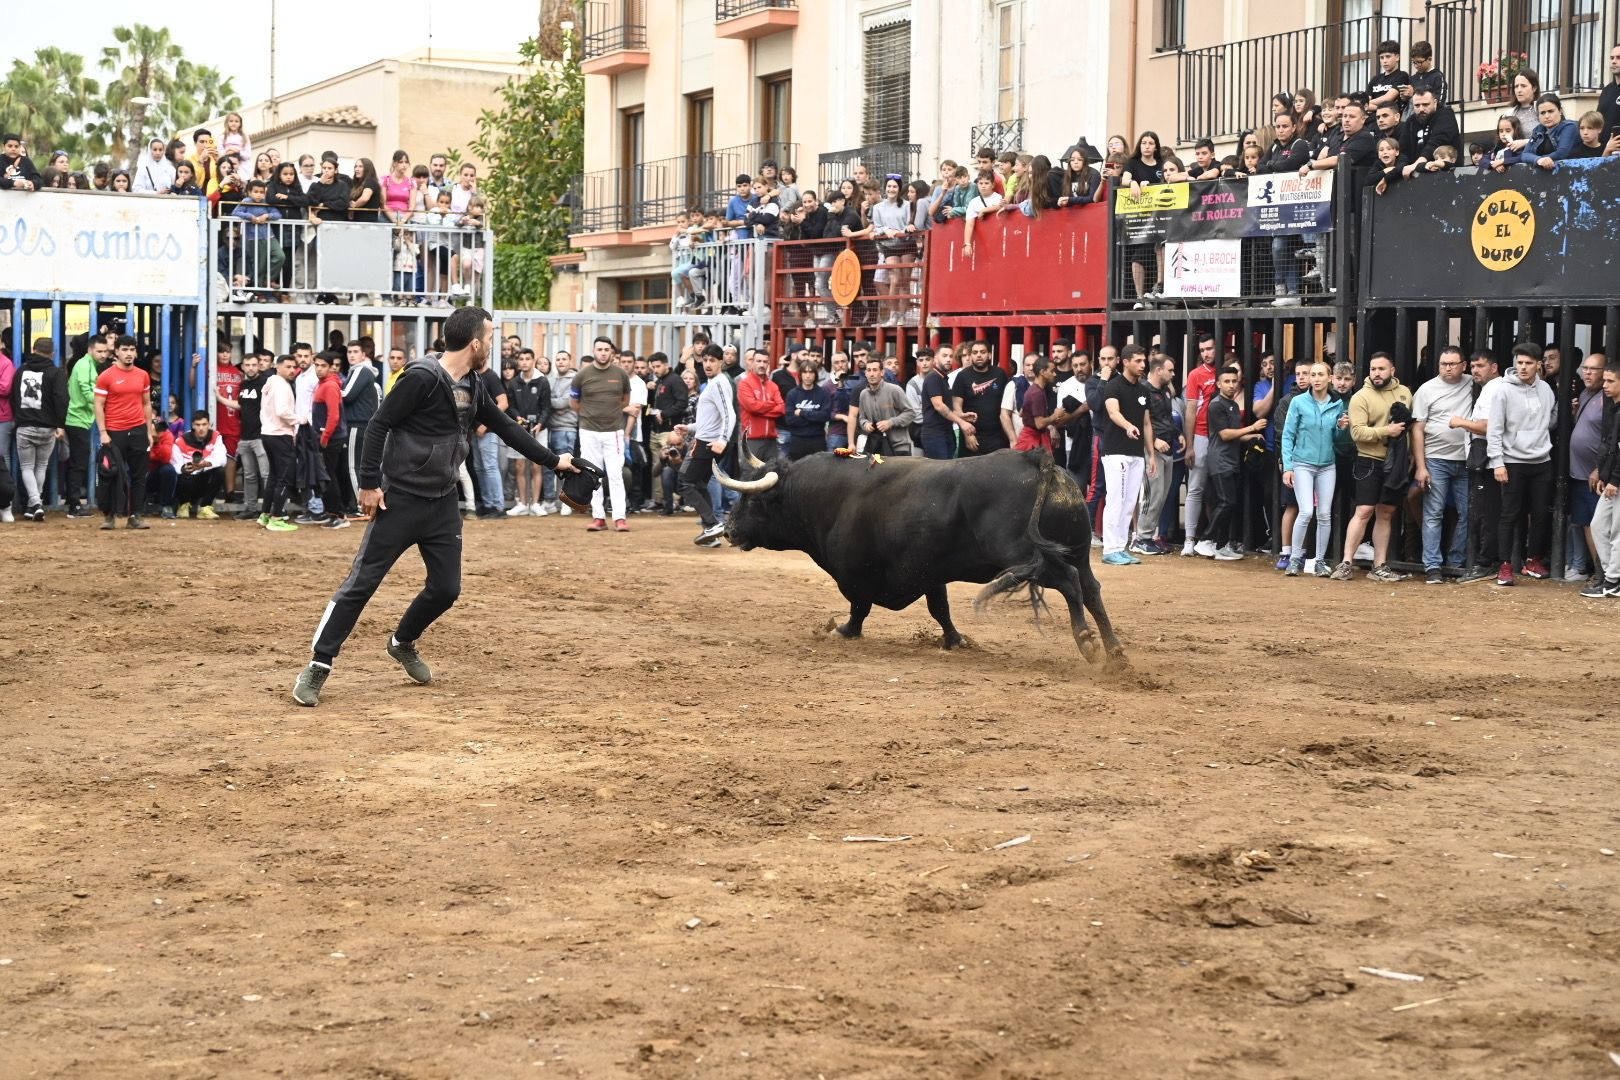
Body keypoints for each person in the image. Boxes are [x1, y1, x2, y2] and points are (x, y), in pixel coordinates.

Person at [293, 307, 577, 706]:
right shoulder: (421, 378)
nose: (493, 346)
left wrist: (555, 462)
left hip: (443, 502)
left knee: (446, 589)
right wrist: (371, 484)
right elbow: (379, 425)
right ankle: (318, 666)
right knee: (361, 585)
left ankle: (402, 642)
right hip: (400, 500)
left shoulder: (474, 385)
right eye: (491, 339)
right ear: (476, 342)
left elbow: (506, 426)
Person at [1334, 352, 1414, 582]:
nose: (1376, 373)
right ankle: (1346, 562)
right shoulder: (1361, 397)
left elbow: (1412, 427)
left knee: (1386, 512)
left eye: (1381, 369)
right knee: (1364, 510)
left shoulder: (1405, 393)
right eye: (1372, 369)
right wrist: (1386, 432)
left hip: (1396, 462)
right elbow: (1357, 432)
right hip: (1368, 460)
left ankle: (1379, 566)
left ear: (1392, 370)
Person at [1487, 343, 1556, 586]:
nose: (1523, 367)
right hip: (1513, 461)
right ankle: (1505, 565)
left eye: (1528, 363)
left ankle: (1532, 560)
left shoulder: (1546, 389)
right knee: (1509, 514)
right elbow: (1494, 429)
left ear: (1538, 364)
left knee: (1540, 515)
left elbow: (1550, 419)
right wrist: (1498, 462)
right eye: (1519, 363)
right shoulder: (1502, 391)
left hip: (1542, 461)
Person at [1281, 360, 1352, 576]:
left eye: (1321, 375)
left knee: (1324, 514)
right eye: (1313, 375)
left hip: (1327, 465)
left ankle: (1319, 560)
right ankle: (1294, 559)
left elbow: (1337, 439)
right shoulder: (1299, 402)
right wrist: (1288, 466)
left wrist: (1341, 429)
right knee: (1305, 512)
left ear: (1329, 378)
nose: (1317, 379)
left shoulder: (1337, 404)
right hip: (1303, 463)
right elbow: (1288, 434)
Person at [1411, 346, 1474, 583]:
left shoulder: (1473, 384)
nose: (1448, 368)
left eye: (1452, 363)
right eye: (1443, 364)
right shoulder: (1426, 389)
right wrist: (1421, 466)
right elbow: (1417, 429)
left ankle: (1456, 561)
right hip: (1436, 459)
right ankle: (1432, 566)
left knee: (1467, 513)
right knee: (1433, 513)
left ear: (1463, 365)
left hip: (1466, 460)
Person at [1096, 345, 1155, 566]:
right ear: (1125, 362)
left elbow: (1147, 423)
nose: (1142, 365)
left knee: (1130, 502)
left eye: (1143, 361)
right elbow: (1113, 412)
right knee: (1116, 500)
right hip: (1115, 452)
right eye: (1138, 361)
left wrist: (1151, 454)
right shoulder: (1113, 386)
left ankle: (1120, 547)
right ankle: (1110, 549)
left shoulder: (1143, 390)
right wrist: (1129, 426)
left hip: (1136, 454)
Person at [1201, 366, 1266, 561]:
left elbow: (1235, 436)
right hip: (1219, 460)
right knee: (1226, 501)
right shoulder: (1216, 405)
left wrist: (1252, 435)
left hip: (1231, 459)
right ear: (1219, 384)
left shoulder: (1233, 406)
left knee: (1230, 503)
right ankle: (1205, 540)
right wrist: (1252, 427)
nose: (1231, 385)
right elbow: (1225, 434)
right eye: (1226, 382)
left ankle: (1221, 545)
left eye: (1234, 381)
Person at [93, 335, 156, 530]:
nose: (129, 354)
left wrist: (148, 430)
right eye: (125, 350)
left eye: (132, 350)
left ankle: (135, 516)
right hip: (114, 432)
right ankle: (109, 516)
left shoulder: (142, 375)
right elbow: (98, 405)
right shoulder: (106, 376)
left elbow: (146, 403)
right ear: (117, 352)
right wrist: (103, 432)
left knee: (139, 476)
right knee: (111, 475)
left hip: (137, 431)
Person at [572, 337, 632, 531]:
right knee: (591, 475)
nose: (603, 353)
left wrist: (609, 414)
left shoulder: (621, 374)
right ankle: (598, 517)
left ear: (611, 352)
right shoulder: (582, 375)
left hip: (613, 431)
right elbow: (574, 403)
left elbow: (625, 400)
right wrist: (590, 415)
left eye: (607, 349)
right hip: (588, 430)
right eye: (600, 349)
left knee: (615, 474)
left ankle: (619, 518)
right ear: (594, 351)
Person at [680, 346, 736, 548]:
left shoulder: (719, 383)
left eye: (713, 360)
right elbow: (710, 418)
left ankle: (712, 524)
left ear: (721, 362)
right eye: (705, 360)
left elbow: (730, 415)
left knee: (684, 482)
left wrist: (723, 439)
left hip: (708, 443)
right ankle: (710, 532)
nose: (708, 364)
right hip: (707, 440)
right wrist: (689, 427)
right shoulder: (713, 383)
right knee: (699, 484)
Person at [11, 339, 67, 521]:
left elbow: (13, 397)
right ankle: (35, 504)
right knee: (41, 466)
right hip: (47, 427)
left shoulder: (21, 371)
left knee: (26, 467)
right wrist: (60, 424)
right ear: (52, 352)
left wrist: (18, 418)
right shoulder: (56, 373)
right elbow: (61, 399)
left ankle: (33, 504)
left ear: (33, 350)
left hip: (25, 426)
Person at [1131, 353, 1178, 556]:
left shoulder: (1166, 390)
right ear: (1158, 370)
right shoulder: (1142, 391)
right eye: (1170, 370)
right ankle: (1141, 538)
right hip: (1152, 449)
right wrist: (1154, 442)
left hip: (1168, 447)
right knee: (1152, 494)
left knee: (1161, 495)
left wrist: (1179, 435)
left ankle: (1149, 537)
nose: (1173, 374)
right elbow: (1139, 421)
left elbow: (1166, 417)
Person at [1569, 353, 1609, 580]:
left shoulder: (1609, 398)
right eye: (1585, 368)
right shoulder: (1585, 394)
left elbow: (1611, 438)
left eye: (1594, 369)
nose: (1587, 373)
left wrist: (1599, 468)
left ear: (1605, 373)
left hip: (1597, 476)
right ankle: (1598, 571)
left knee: (1601, 526)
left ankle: (1607, 574)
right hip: (1578, 473)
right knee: (1585, 523)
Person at [1180, 334, 1220, 555]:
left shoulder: (1225, 371)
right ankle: (1189, 539)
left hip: (1222, 436)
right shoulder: (1196, 374)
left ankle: (1215, 539)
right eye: (1203, 349)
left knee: (1219, 490)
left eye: (1210, 348)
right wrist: (1190, 444)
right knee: (1195, 488)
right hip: (1202, 434)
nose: (1206, 353)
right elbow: (1190, 410)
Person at [63, 336, 109, 518]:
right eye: (99, 351)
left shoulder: (89, 365)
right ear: (90, 350)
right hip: (77, 419)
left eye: (105, 351)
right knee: (79, 463)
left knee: (78, 462)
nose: (103, 355)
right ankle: (74, 506)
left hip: (81, 419)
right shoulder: (84, 365)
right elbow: (86, 390)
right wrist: (103, 404)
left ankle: (72, 503)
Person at [1585, 359, 1620, 597]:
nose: (1605, 385)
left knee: (1616, 530)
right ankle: (1611, 578)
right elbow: (1610, 446)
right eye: (1604, 380)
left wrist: (1614, 479)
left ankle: (1613, 580)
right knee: (1599, 525)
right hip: (1611, 480)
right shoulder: (1614, 408)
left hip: (1616, 482)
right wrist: (1604, 474)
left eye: (1610, 381)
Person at [505, 348, 553, 516]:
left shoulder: (542, 381)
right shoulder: (513, 383)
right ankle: (523, 503)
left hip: (538, 430)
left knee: (536, 466)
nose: (524, 361)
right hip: (519, 430)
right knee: (519, 466)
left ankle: (536, 504)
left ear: (533, 361)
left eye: (527, 358)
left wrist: (540, 423)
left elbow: (547, 407)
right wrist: (517, 418)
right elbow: (510, 406)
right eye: (521, 359)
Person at [258, 354, 301, 532]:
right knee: (285, 477)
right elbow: (283, 411)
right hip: (280, 434)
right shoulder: (282, 386)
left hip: (268, 433)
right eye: (288, 367)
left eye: (293, 367)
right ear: (278, 366)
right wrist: (301, 419)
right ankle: (276, 517)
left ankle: (265, 514)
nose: (292, 370)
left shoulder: (270, 383)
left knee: (274, 477)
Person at [950, 341, 1010, 456]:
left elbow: (1007, 406)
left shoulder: (1000, 374)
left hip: (997, 437)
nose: (978, 355)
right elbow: (956, 408)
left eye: (982, 352)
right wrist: (967, 434)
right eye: (975, 352)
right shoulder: (962, 376)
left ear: (989, 355)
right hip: (972, 436)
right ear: (971, 355)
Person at [166, 411, 227, 519]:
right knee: (183, 475)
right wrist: (185, 468)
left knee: (220, 471)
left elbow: (222, 459)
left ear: (209, 424)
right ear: (193, 425)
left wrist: (206, 464)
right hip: (186, 481)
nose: (201, 428)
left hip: (204, 478)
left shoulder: (216, 436)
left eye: (204, 424)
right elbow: (174, 464)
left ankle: (205, 507)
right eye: (198, 425)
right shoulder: (181, 441)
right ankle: (183, 505)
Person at [854, 356, 916, 456]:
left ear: (882, 373)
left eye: (875, 370)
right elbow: (861, 418)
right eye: (869, 370)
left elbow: (911, 413)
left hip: (899, 446)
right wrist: (866, 424)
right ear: (865, 374)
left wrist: (891, 422)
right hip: (875, 446)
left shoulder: (894, 390)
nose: (872, 374)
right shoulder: (863, 394)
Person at [737, 349, 786, 463]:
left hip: (771, 440)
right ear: (752, 363)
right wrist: (772, 404)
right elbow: (752, 407)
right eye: (758, 361)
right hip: (752, 439)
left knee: (772, 474)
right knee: (749, 475)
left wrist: (760, 409)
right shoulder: (744, 384)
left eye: (765, 362)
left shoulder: (773, 385)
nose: (762, 364)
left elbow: (782, 408)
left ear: (768, 364)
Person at [783, 362, 832, 461]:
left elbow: (825, 416)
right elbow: (790, 420)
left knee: (818, 473)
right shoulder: (792, 394)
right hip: (797, 441)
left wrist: (802, 413)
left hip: (817, 441)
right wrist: (814, 418)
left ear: (815, 374)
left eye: (811, 372)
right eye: (805, 372)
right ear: (800, 374)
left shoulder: (823, 393)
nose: (808, 375)